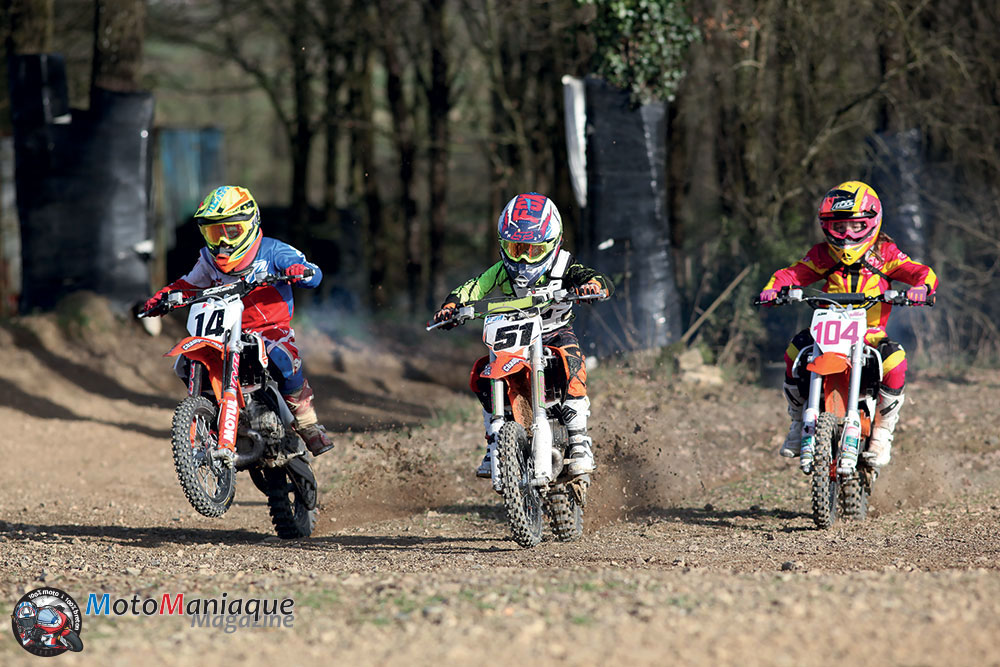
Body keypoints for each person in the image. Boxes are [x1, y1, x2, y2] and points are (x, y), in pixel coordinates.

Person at [141, 185, 333, 456]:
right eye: (214, 232)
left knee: (284, 359)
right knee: (185, 363)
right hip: (223, 330)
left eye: (231, 231)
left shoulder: (272, 250)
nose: (223, 242)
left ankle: (308, 424)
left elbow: (313, 273)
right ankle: (211, 412)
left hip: (268, 328)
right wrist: (163, 297)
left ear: (250, 223)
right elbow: (189, 284)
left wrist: (298, 271)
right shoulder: (209, 259)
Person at [433, 192, 614, 478]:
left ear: (552, 244)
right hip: (512, 339)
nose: (522, 257)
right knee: (484, 373)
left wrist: (591, 286)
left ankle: (579, 439)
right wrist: (452, 306)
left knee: (573, 362)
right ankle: (495, 442)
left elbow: (596, 278)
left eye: (531, 250)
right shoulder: (501, 271)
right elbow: (473, 288)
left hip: (554, 335)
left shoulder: (564, 265)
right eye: (515, 248)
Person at [759, 180, 938, 468]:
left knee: (896, 362)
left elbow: (920, 272)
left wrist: (922, 288)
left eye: (856, 226)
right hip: (826, 334)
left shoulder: (885, 254)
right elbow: (792, 274)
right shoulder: (823, 255)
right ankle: (796, 421)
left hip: (870, 336)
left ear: (872, 222)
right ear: (826, 226)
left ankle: (881, 433)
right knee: (794, 352)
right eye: (839, 227)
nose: (847, 234)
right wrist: (774, 289)